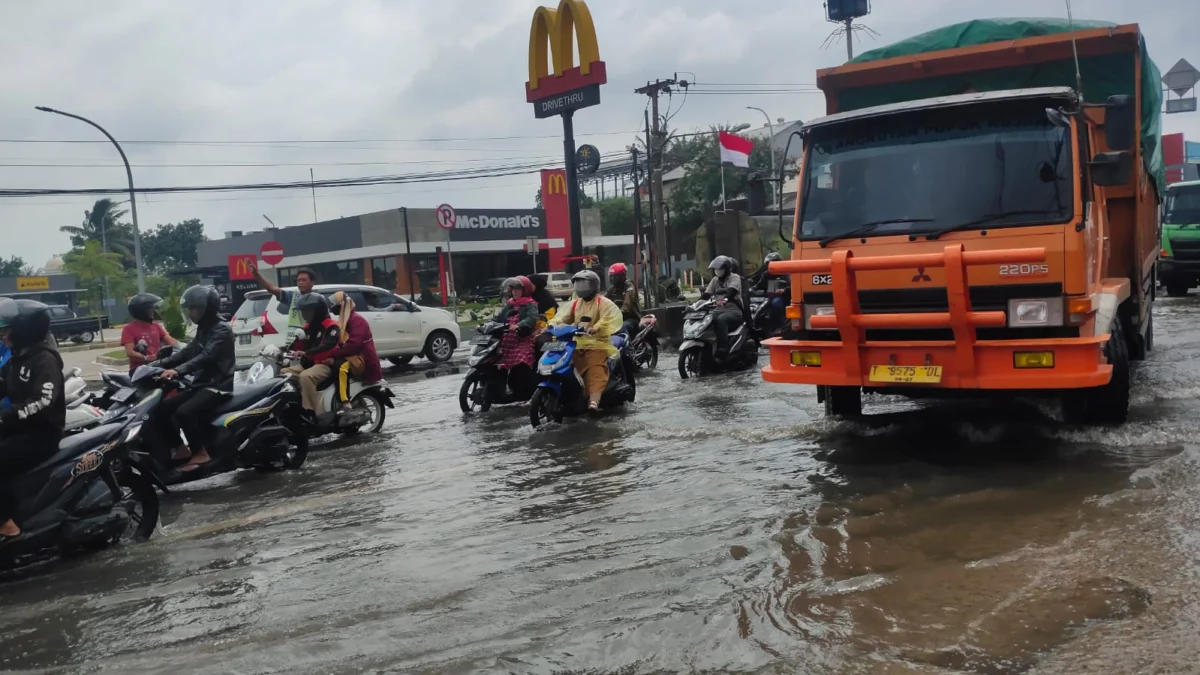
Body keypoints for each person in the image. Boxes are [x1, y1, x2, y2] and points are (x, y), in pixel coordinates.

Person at [149, 285, 236, 471]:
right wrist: (154, 366)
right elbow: (187, 352)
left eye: (194, 308)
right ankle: (179, 448)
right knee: (160, 409)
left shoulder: (221, 330)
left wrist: (177, 371)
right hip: (201, 384)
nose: (191, 312)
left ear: (207, 308)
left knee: (184, 412)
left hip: (218, 385)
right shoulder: (204, 329)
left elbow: (205, 356)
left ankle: (200, 453)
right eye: (189, 308)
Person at [0, 299, 65, 543]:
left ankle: (6, 524)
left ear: (24, 330)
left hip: (41, 434)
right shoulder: (18, 357)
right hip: (18, 429)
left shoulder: (44, 359)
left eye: (6, 329)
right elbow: (3, 384)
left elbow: (43, 400)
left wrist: (7, 415)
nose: (2, 333)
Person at [550, 270, 623, 412]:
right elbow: (563, 318)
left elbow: (607, 318)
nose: (580, 288)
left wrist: (596, 327)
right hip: (575, 343)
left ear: (594, 286)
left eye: (584, 284)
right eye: (578, 284)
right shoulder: (575, 303)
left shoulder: (603, 302)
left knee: (594, 369)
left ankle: (594, 402)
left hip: (597, 343)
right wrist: (552, 324)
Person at [284, 293, 341, 416]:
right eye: (303, 311)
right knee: (283, 375)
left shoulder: (331, 326)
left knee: (306, 377)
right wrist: (282, 350)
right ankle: (293, 407)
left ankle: (311, 411)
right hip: (308, 364)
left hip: (325, 364)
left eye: (308, 311)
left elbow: (328, 347)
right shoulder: (308, 327)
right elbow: (297, 345)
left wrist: (306, 353)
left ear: (318, 310)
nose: (305, 314)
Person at [326, 291, 383, 414]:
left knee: (341, 368)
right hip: (352, 356)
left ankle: (345, 402)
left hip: (362, 358)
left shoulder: (356, 320)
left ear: (342, 305)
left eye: (335, 305)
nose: (332, 308)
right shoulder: (345, 320)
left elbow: (353, 345)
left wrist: (335, 354)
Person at [493, 276, 539, 400]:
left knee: (520, 361)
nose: (514, 292)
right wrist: (484, 325)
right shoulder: (509, 304)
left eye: (518, 289)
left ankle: (529, 393)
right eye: (513, 289)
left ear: (525, 290)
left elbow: (531, 319)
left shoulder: (531, 304)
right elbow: (498, 318)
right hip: (506, 340)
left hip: (522, 340)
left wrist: (519, 325)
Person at [122, 293, 179, 375]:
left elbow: (172, 342)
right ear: (140, 310)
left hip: (157, 366)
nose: (153, 311)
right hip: (139, 370)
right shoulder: (129, 329)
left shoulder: (155, 326)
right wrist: (147, 358)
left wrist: (185, 348)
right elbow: (130, 353)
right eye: (150, 309)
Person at [252, 262, 315, 332]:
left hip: (312, 340)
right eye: (298, 280)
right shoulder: (292, 297)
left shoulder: (319, 299)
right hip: (294, 341)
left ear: (312, 282)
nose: (300, 283)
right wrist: (256, 274)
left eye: (304, 280)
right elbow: (271, 289)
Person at [703, 255, 745, 357]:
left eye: (720, 269)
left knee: (721, 320)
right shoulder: (715, 280)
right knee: (706, 319)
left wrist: (725, 300)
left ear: (726, 269)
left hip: (734, 311)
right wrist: (695, 305)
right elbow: (706, 294)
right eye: (716, 269)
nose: (718, 271)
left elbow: (731, 291)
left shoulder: (735, 277)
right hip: (718, 310)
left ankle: (723, 347)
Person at [747, 252, 789, 331]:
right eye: (768, 264)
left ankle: (779, 326)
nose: (769, 266)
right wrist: (752, 289)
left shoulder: (785, 273)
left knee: (776, 303)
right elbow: (760, 285)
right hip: (768, 297)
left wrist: (783, 290)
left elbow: (791, 285)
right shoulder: (767, 274)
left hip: (782, 297)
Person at [605, 263, 641, 336]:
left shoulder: (629, 286)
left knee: (621, 328)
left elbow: (627, 305)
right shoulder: (613, 289)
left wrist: (616, 314)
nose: (612, 279)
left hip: (631, 318)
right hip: (616, 320)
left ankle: (628, 347)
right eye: (611, 276)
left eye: (615, 276)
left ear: (622, 276)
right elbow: (603, 300)